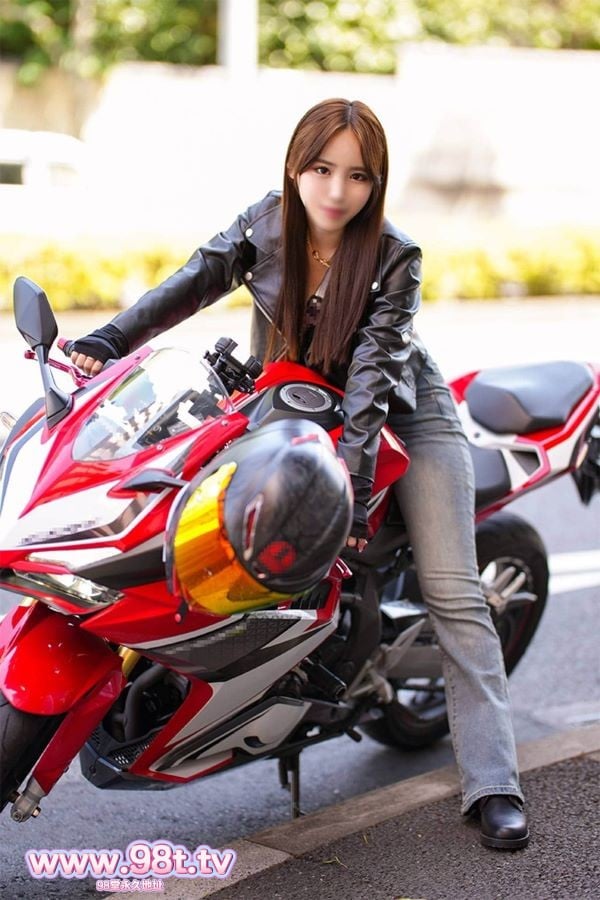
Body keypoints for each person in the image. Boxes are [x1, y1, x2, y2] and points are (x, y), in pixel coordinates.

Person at [71, 98, 529, 850]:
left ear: (376, 183)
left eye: (358, 176)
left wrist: (349, 505)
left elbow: (371, 389)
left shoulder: (394, 255)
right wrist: (108, 340)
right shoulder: (265, 222)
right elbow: (191, 283)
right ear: (294, 166)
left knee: (453, 591)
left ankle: (494, 782)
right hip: (290, 394)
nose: (337, 191)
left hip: (402, 411)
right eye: (322, 169)